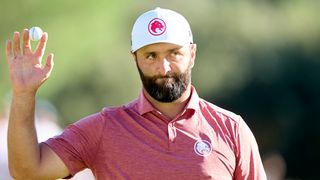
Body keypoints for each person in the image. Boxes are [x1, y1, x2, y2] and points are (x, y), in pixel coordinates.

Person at [5, 7, 267, 180]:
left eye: (174, 53)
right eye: (151, 55)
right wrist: (24, 94)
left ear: (192, 54)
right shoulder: (104, 129)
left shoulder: (231, 129)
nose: (163, 67)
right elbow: (27, 170)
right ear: (135, 59)